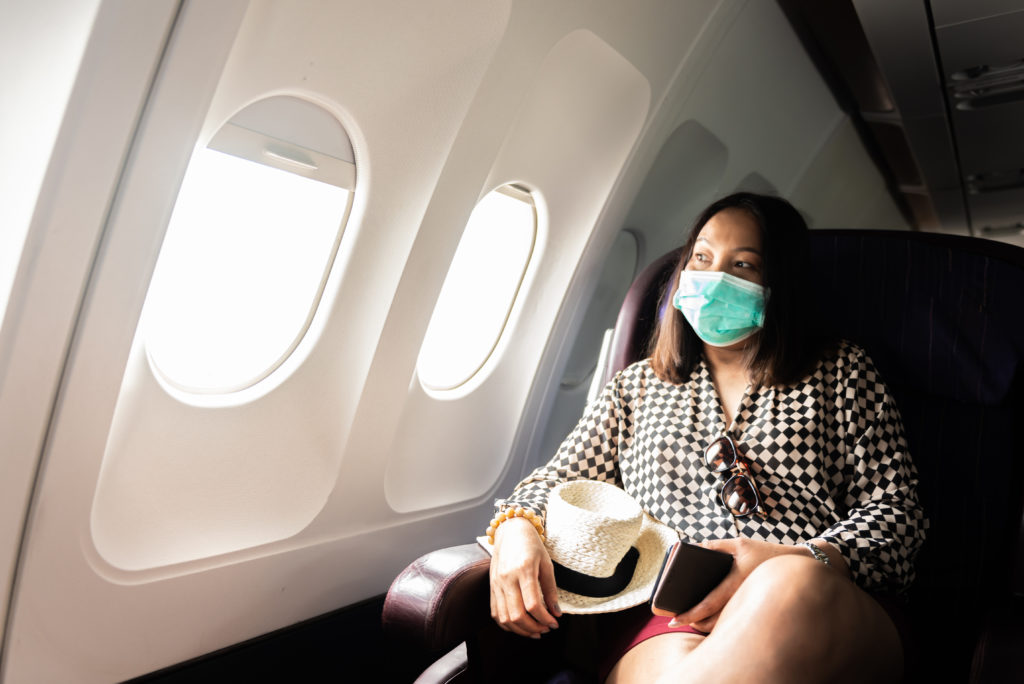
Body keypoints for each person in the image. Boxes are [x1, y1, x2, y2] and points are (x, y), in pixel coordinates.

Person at [486, 192, 928, 683]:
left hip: (823, 600)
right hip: (673, 618)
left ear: (780, 284)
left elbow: (898, 517)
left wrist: (799, 556)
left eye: (743, 265)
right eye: (702, 258)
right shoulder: (636, 387)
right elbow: (555, 482)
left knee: (789, 582)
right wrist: (514, 528)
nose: (715, 278)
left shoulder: (841, 373)